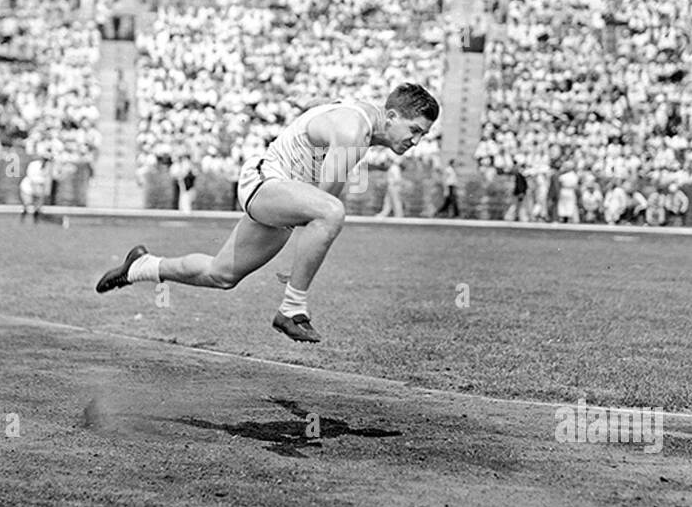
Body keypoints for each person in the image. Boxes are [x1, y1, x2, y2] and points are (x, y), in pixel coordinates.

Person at [95, 83, 440, 343]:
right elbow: (326, 203)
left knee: (221, 274)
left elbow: (322, 199)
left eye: (422, 135)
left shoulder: (362, 131)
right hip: (266, 183)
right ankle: (292, 308)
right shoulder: (354, 130)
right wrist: (298, 269)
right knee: (333, 211)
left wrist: (302, 251)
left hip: (285, 198)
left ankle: (141, 267)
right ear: (392, 116)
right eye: (414, 131)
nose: (416, 141)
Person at [19, 156, 48, 222]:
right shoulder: (34, 165)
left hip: (38, 188)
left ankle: (36, 221)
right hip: (27, 188)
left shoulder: (48, 168)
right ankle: (22, 220)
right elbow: (31, 178)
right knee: (27, 204)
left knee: (38, 207)